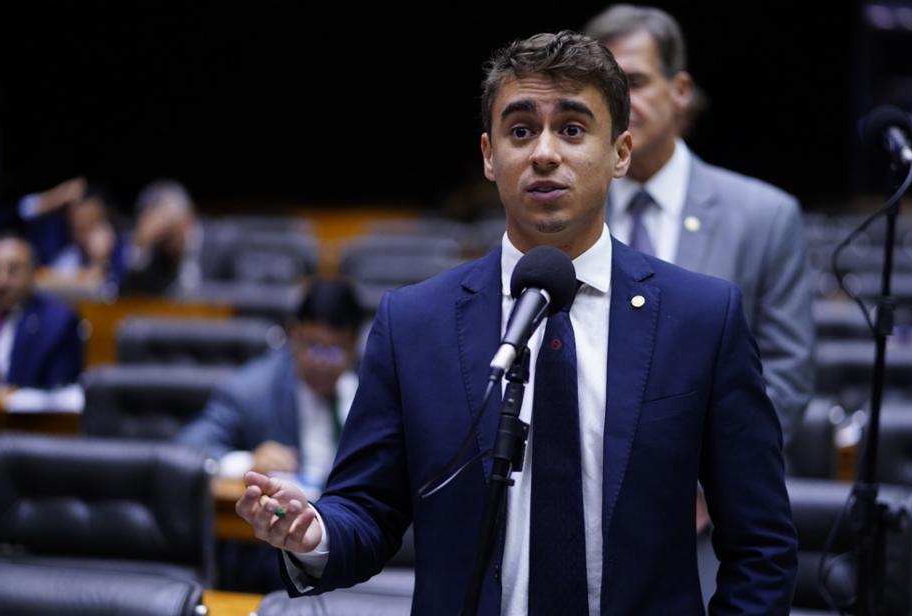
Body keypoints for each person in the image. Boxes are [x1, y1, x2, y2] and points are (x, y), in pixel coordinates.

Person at [236, 31, 796, 615]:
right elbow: (368, 509)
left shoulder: (702, 318)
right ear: (488, 154)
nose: (545, 153)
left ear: (621, 152)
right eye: (521, 130)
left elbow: (761, 544)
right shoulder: (415, 324)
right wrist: (314, 533)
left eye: (573, 130)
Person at [583, 5, 815, 444]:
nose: (618, 104)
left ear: (681, 90)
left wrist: (716, 485)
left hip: (708, 494)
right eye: (601, 88)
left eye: (633, 82)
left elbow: (785, 377)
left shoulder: (764, 216)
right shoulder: (565, 210)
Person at [176, 278, 363, 592]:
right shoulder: (251, 390)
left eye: (334, 351)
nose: (321, 361)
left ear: (354, 344)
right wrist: (248, 460)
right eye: (312, 345)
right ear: (294, 334)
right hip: (273, 563)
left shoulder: (368, 390)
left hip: (347, 549)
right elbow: (186, 449)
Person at [0, 230, 83, 389]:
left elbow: (61, 394)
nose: (1, 281)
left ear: (33, 272)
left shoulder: (58, 323)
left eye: (13, 270)